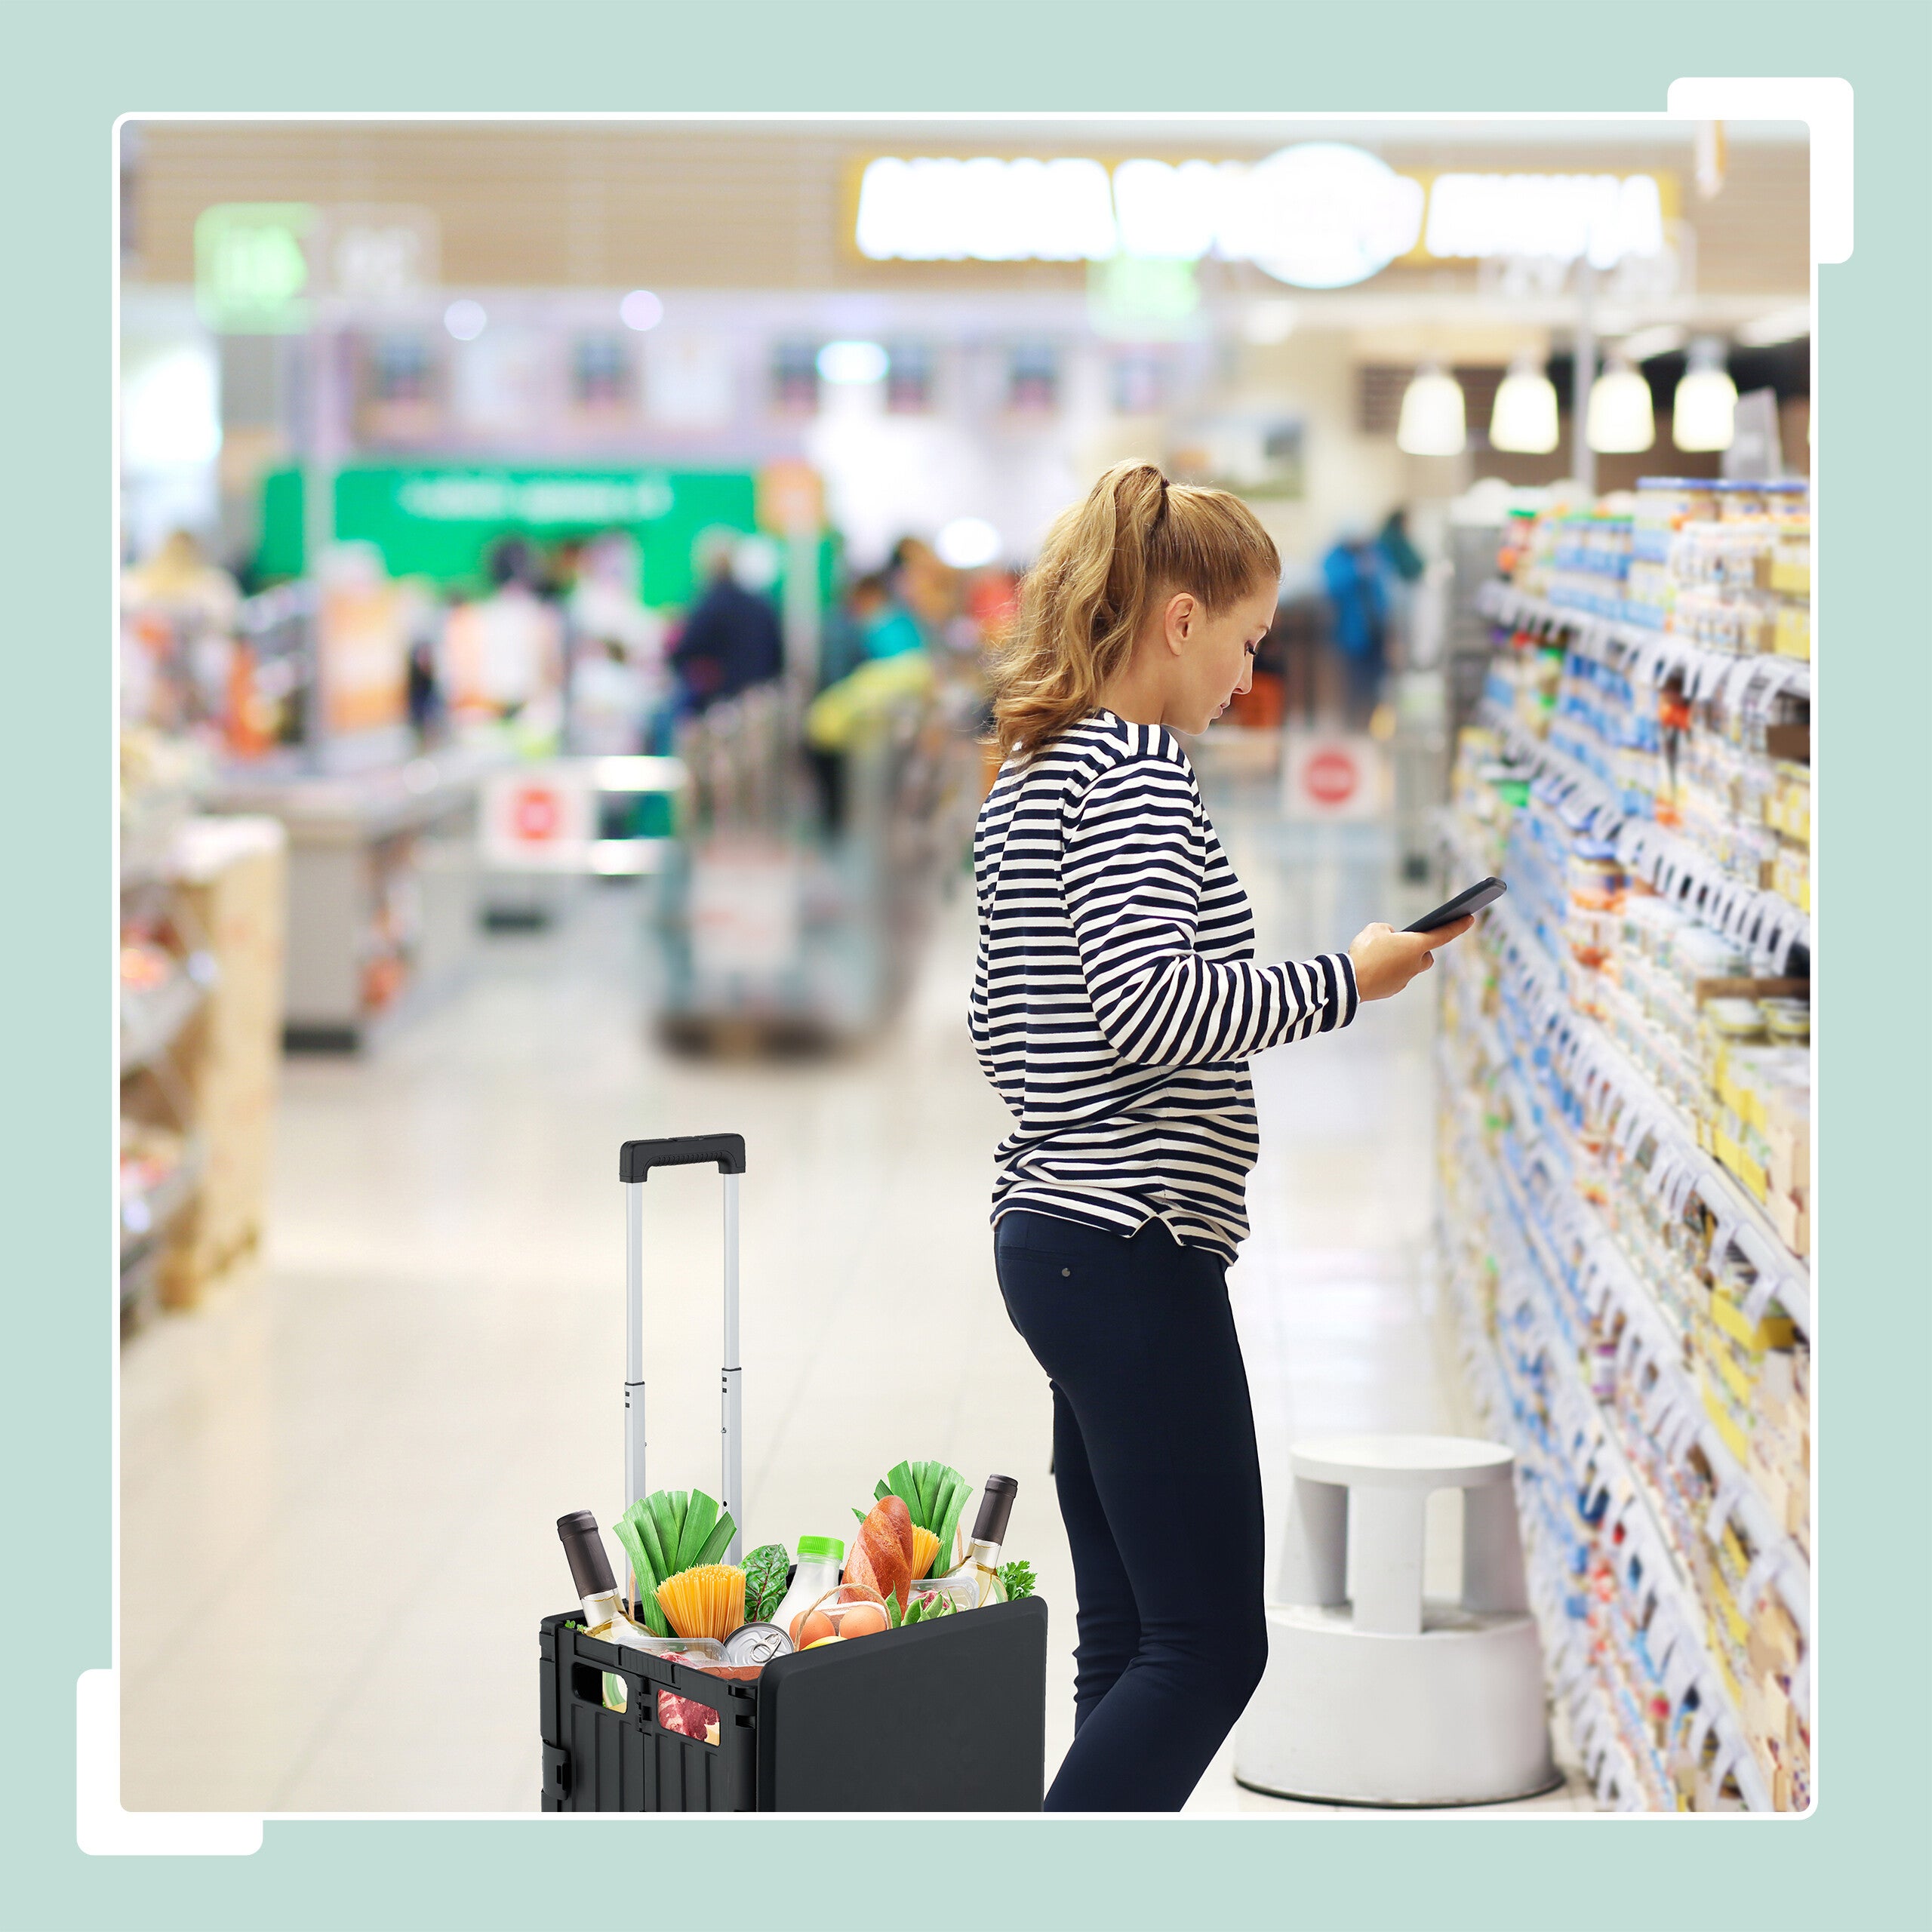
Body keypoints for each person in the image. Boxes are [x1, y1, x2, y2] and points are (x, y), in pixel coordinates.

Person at [971, 460, 1472, 1812]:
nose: (1250, 679)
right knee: (1209, 1649)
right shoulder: (1134, 767)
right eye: (1247, 642)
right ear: (1179, 618)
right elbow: (1148, 1005)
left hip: (1054, 1230)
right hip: (1127, 1243)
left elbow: (1004, 1013)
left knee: (1134, 1639)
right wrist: (1348, 980)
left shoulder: (1033, 761)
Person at [669, 528, 783, 716]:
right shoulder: (760, 603)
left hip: (721, 703)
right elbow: (777, 653)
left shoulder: (710, 603)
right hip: (760, 699)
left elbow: (685, 651)